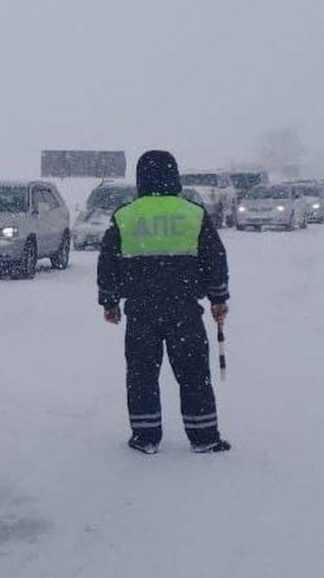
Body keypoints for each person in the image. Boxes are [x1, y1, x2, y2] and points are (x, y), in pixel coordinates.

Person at [97, 150, 231, 455]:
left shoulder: (125, 215)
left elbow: (108, 262)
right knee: (194, 374)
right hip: (184, 310)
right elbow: (214, 259)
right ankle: (204, 437)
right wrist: (218, 298)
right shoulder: (193, 213)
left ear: (140, 178)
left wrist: (109, 301)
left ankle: (145, 437)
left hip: (141, 311)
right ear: (175, 176)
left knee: (142, 376)